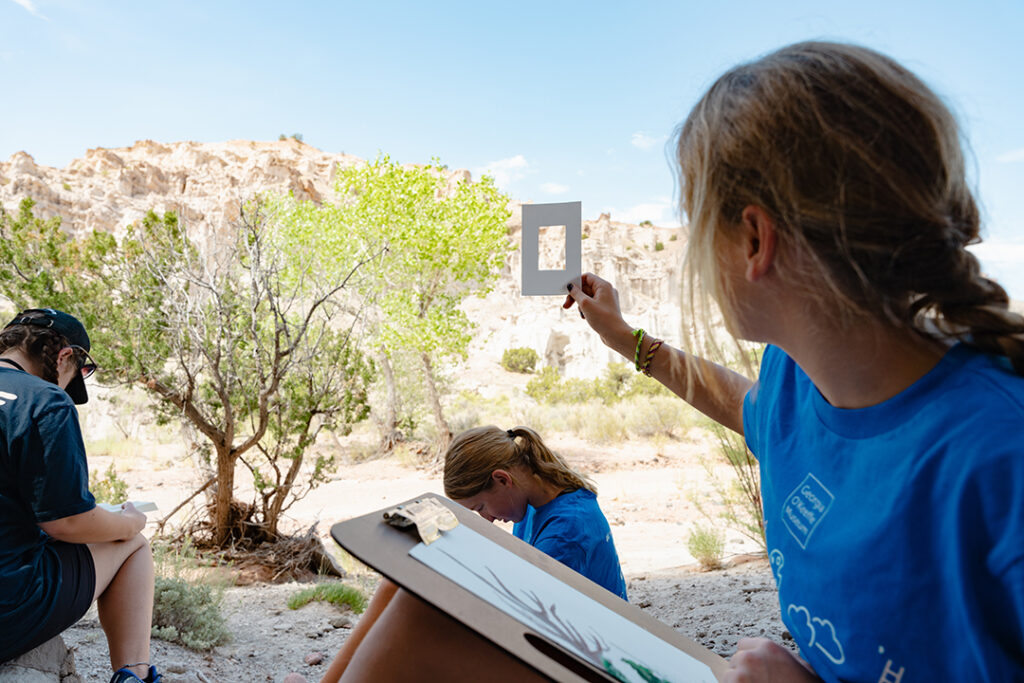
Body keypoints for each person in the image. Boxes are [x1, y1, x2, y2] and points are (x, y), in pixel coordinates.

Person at [562, 42, 1024, 681]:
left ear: (755, 239)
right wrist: (627, 341)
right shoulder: (793, 377)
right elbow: (756, 413)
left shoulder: (1000, 456)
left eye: (697, 225)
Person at [315, 425, 627, 682]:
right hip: (562, 640)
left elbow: (535, 629)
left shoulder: (566, 530)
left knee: (415, 612)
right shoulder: (538, 499)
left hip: (586, 665)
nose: (487, 519)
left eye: (480, 507)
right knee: (397, 584)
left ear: (502, 479)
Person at [0, 308, 161, 683]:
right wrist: (126, 522)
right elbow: (67, 522)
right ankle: (133, 676)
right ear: (64, 356)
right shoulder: (44, 401)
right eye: (71, 377)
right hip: (9, 606)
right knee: (133, 545)